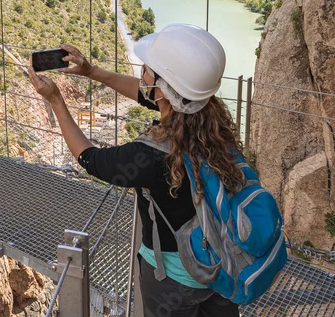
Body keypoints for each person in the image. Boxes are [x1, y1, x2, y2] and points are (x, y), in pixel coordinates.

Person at [29, 24, 244, 317]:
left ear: (163, 89)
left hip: (175, 280)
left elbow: (89, 158)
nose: (142, 74)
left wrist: (55, 99)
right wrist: (91, 71)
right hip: (225, 266)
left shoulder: (150, 156)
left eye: (147, 70)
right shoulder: (212, 122)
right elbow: (147, 95)